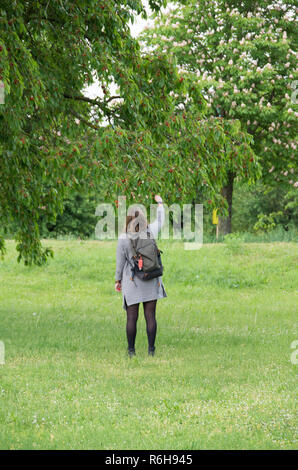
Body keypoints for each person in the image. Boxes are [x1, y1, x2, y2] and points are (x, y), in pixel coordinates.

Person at [115, 195, 167, 357]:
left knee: (132, 317)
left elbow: (120, 263)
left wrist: (118, 280)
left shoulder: (123, 237)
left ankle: (131, 352)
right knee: (150, 315)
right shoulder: (150, 231)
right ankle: (151, 351)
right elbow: (161, 220)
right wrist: (160, 204)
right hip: (151, 278)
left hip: (132, 281)